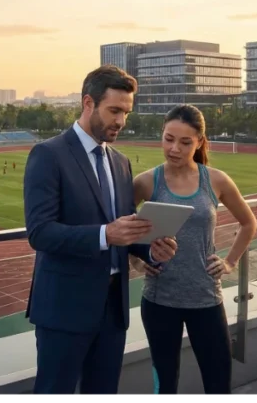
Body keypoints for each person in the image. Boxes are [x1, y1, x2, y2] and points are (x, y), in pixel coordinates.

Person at [24, 64, 178, 396]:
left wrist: (150, 249)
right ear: (88, 103)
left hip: (112, 309)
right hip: (64, 310)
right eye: (114, 110)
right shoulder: (48, 154)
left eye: (126, 112)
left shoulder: (120, 162)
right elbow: (40, 232)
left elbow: (126, 226)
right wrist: (104, 235)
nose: (121, 121)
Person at [133, 105, 257, 395]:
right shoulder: (146, 182)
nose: (174, 148)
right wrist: (137, 261)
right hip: (159, 300)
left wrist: (229, 262)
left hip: (205, 298)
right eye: (168, 139)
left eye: (185, 142)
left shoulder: (215, 180)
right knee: (165, 385)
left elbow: (249, 223)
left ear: (200, 141)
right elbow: (121, 228)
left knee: (218, 383)